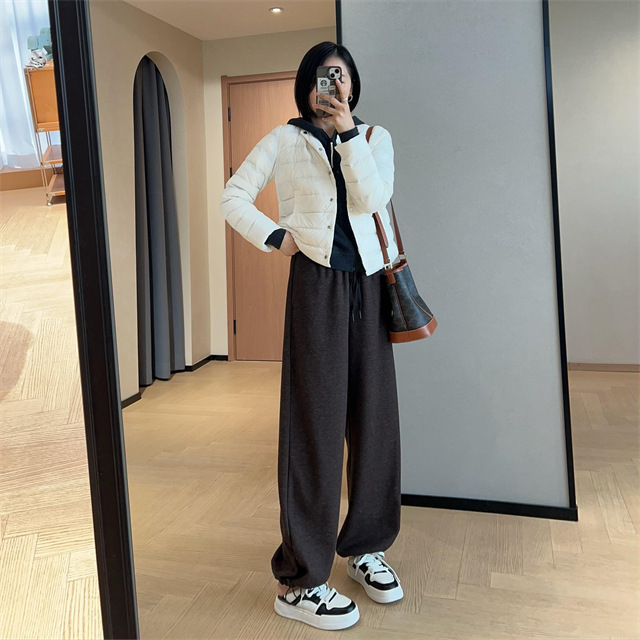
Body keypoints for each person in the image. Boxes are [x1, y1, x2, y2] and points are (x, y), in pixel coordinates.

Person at [219, 41, 403, 631]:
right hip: (316, 285)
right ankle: (299, 580)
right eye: (325, 77)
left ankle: (366, 547)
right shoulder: (284, 139)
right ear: (307, 85)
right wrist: (278, 238)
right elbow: (233, 197)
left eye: (341, 77)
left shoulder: (373, 137)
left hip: (369, 286)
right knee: (314, 424)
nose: (333, 85)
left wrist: (348, 132)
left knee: (374, 418)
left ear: (352, 85)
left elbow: (374, 199)